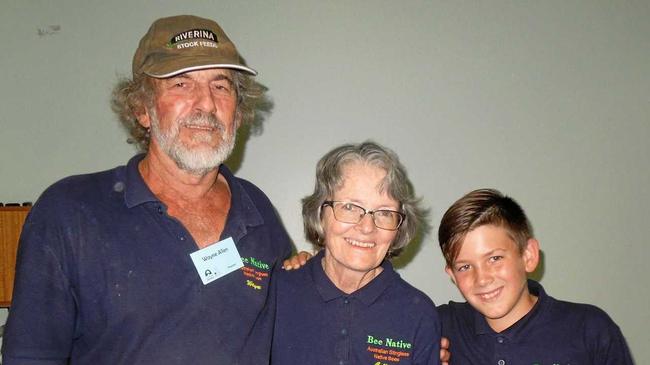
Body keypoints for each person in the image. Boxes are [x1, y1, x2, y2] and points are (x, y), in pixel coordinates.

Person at [1, 15, 292, 364]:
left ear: (238, 112)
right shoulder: (69, 213)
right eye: (181, 85)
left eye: (221, 86)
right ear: (142, 109)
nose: (206, 104)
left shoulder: (256, 209)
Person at [271, 141, 441, 365]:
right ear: (320, 212)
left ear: (399, 226)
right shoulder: (275, 294)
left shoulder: (418, 314)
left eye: (384, 212)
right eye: (350, 207)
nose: (367, 227)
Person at [437, 188, 634, 364]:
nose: (482, 279)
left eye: (495, 258)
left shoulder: (589, 330)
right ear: (452, 275)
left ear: (528, 255)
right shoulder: (436, 324)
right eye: (464, 267)